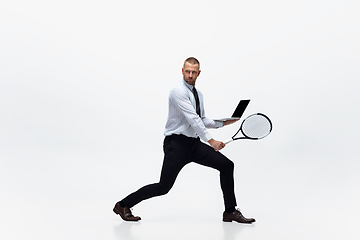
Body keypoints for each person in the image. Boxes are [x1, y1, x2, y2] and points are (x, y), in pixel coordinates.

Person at [113, 57, 255, 224]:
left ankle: (230, 211)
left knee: (226, 165)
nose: (190, 75)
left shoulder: (198, 94)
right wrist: (211, 141)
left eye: (193, 72)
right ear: (182, 71)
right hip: (176, 144)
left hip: (193, 144)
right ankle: (123, 205)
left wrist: (224, 122)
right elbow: (193, 119)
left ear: (198, 73)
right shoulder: (178, 91)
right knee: (163, 187)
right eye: (187, 71)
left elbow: (201, 119)